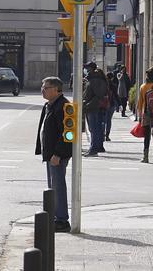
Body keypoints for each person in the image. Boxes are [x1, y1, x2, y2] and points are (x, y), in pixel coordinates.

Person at [36, 76, 73, 233]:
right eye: (42, 87)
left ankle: (62, 220)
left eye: (46, 87)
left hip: (57, 155)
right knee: (52, 187)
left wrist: (58, 153)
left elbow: (68, 134)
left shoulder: (63, 106)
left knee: (58, 187)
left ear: (56, 89)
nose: (42, 90)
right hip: (50, 154)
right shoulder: (49, 105)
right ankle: (56, 217)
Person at [82, 62, 109, 156]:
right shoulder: (91, 79)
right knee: (95, 128)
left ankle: (94, 149)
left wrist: (87, 105)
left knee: (94, 128)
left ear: (91, 69)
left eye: (87, 68)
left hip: (93, 108)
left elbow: (98, 95)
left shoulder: (96, 79)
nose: (85, 70)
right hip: (92, 107)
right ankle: (97, 147)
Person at [134, 67, 153, 163]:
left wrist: (140, 116)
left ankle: (145, 157)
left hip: (146, 113)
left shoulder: (143, 86)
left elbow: (140, 103)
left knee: (147, 136)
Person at [105, 71, 119, 142]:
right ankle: (107, 135)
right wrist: (119, 104)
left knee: (102, 120)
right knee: (108, 120)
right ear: (112, 77)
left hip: (104, 105)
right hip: (111, 104)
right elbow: (116, 95)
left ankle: (102, 134)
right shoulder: (113, 85)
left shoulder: (103, 84)